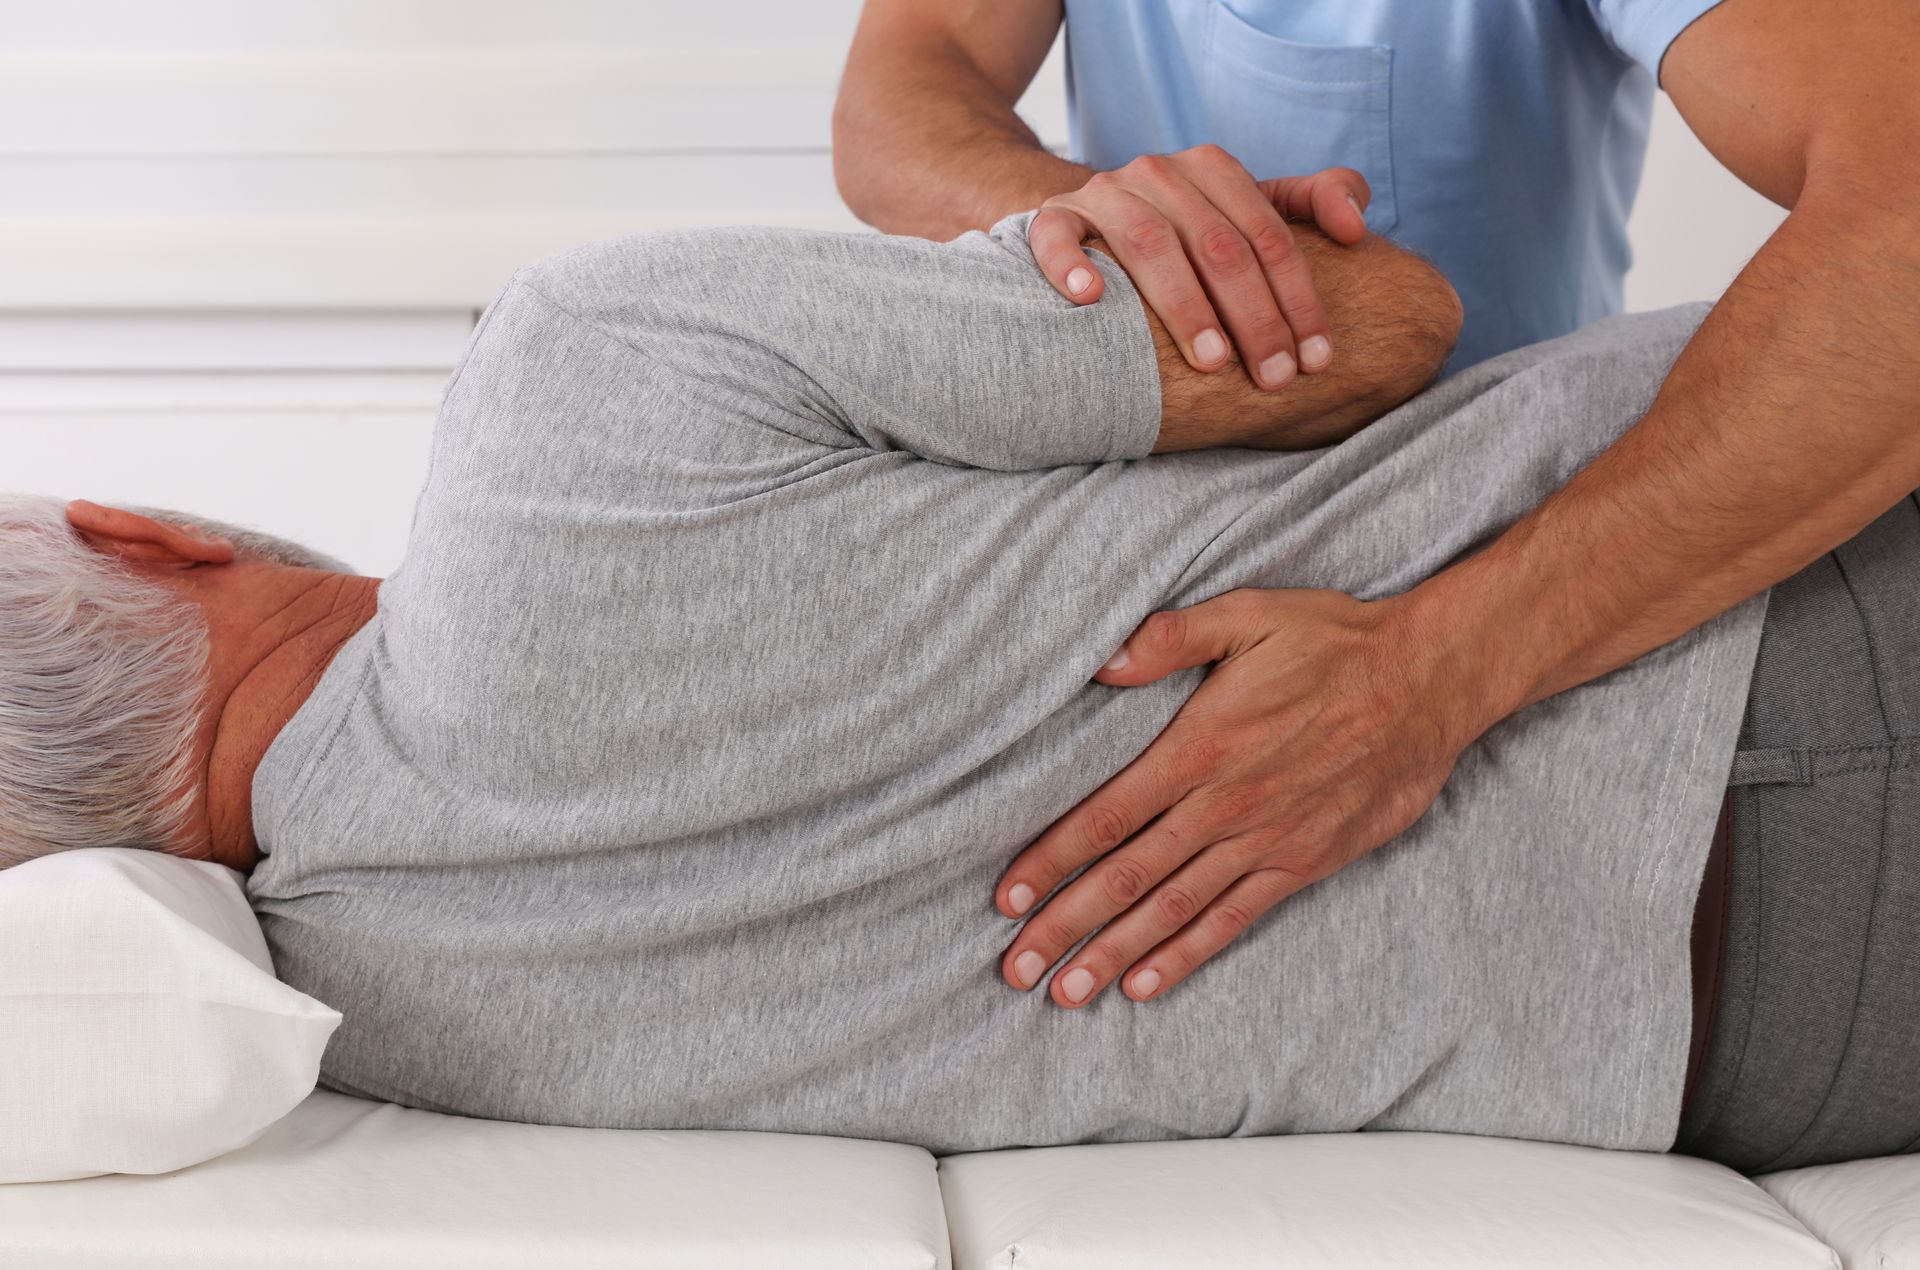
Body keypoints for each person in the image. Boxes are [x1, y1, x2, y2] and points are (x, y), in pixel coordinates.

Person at [0, 215, 1909, 1174]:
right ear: (147, 539)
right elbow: (1385, 322)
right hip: (1777, 597)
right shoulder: (574, 403)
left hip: (1778, 1066)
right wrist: (1164, 218)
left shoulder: (403, 1048)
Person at [833, 1, 1920, 1037]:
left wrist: (1436, 672)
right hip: (1167, 606)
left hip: (1500, 644)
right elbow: (905, 82)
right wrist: (1091, 212)